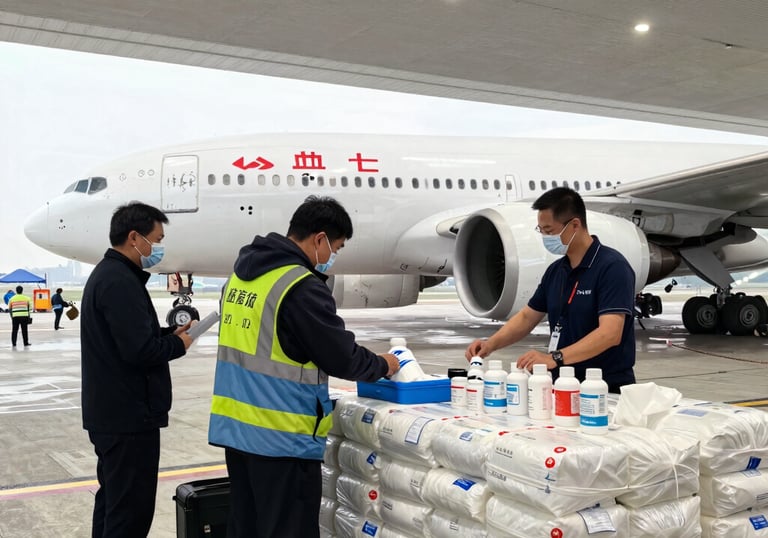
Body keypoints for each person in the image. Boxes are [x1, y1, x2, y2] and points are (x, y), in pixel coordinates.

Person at [208, 195, 400, 538]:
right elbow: (341, 356)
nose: (332, 257)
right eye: (336, 247)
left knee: (246, 526)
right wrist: (383, 364)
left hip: (237, 433)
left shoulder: (239, 278)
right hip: (281, 438)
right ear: (319, 239)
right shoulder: (299, 286)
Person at [80, 201, 194, 538]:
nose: (158, 247)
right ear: (134, 238)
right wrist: (178, 345)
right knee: (130, 513)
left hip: (114, 415)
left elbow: (127, 336)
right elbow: (139, 350)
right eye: (156, 239)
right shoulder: (119, 282)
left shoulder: (112, 275)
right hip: (128, 418)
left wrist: (165, 334)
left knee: (114, 503)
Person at [465, 187, 636, 394]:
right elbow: (528, 316)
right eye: (541, 231)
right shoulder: (556, 271)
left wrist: (554, 358)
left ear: (574, 225)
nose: (545, 237)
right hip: (562, 385)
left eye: (549, 231)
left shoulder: (612, 267)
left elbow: (610, 333)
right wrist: (490, 345)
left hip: (606, 388)